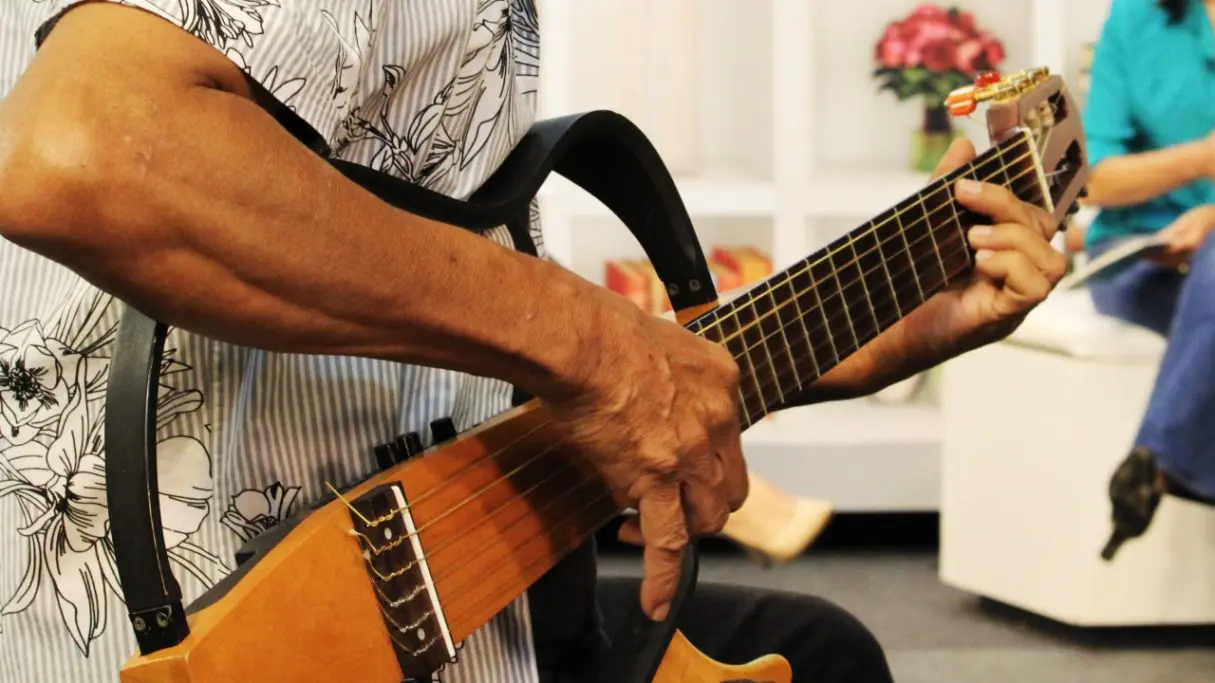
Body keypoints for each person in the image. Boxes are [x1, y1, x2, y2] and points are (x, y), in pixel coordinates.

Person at [0, 3, 1064, 682]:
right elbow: (85, 149)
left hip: (435, 572)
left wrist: (860, 339)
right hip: (217, 615)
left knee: (821, 651)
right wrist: (604, 353)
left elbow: (432, 321)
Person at [1080, 0, 1215, 559]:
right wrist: (1207, 158)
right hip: (1143, 255)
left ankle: (1154, 463)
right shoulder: (1135, 19)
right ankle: (1163, 465)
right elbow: (1095, 178)